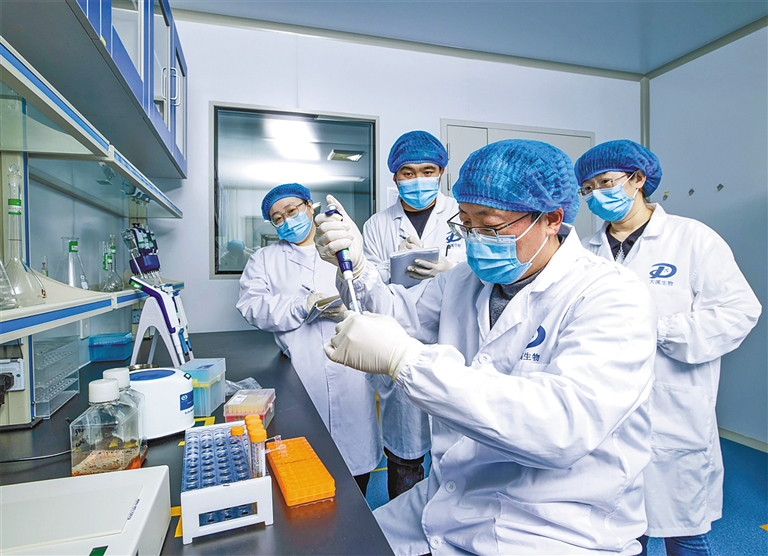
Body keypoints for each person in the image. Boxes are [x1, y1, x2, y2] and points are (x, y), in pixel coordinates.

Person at [314, 140, 659, 555]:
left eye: (490, 227)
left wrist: (407, 360)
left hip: (555, 522)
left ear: (552, 219)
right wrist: (358, 269)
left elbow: (562, 426)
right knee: (343, 544)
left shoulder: (611, 294)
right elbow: (395, 317)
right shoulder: (463, 280)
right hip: (457, 491)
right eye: (466, 224)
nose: (476, 239)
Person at [574, 140, 762, 555]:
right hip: (605, 411)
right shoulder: (584, 252)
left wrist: (660, 330)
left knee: (685, 532)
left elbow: (739, 311)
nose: (596, 194)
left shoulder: (692, 239)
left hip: (673, 410)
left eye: (605, 182)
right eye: (587, 188)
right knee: (616, 534)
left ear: (638, 179)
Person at [236, 183, 382, 494]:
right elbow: (251, 306)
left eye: (292, 211)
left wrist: (345, 309)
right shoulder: (264, 259)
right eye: (278, 218)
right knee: (305, 465)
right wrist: (301, 305)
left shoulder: (342, 247)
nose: (287, 220)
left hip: (351, 369)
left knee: (356, 465)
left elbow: (374, 294)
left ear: (309, 207)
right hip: (300, 371)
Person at [362, 130, 466, 500]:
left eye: (427, 171)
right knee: (405, 458)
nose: (418, 179)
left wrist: (449, 268)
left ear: (441, 173)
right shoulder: (377, 225)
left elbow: (483, 274)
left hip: (453, 342)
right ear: (395, 177)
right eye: (408, 172)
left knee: (457, 455)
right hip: (401, 344)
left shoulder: (462, 214)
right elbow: (367, 283)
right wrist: (394, 269)